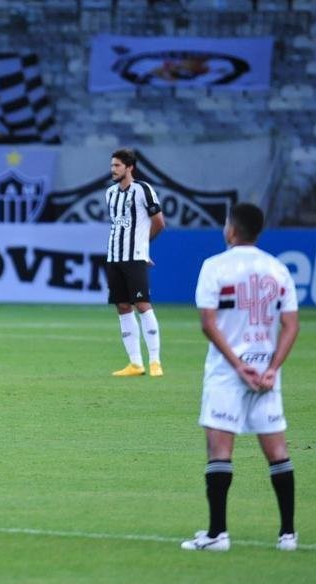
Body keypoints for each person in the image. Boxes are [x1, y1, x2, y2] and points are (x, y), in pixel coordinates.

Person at [181, 203, 300, 552]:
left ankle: (217, 534)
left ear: (232, 230)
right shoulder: (278, 269)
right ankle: (288, 535)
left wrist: (237, 365)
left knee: (220, 450)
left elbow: (208, 323)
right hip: (266, 371)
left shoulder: (215, 267)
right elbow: (291, 325)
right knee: (277, 451)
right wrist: (273, 367)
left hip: (228, 372)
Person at [104, 148, 165, 377]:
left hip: (135, 256)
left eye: (117, 166)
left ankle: (155, 361)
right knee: (122, 306)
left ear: (130, 167)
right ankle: (135, 363)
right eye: (112, 166)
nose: (113, 170)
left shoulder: (143, 190)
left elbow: (158, 222)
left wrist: (143, 247)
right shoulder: (110, 193)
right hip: (114, 256)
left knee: (142, 304)